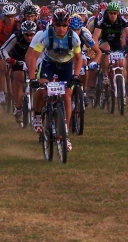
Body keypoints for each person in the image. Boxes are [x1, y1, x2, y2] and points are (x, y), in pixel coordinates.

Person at [25, 8, 84, 152]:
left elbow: (78, 59)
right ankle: (37, 115)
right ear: (54, 25)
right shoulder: (46, 35)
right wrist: (33, 78)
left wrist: (75, 76)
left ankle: (65, 134)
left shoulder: (74, 38)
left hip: (66, 66)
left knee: (67, 96)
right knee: (41, 89)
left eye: (64, 26)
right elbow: (33, 57)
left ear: (68, 26)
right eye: (58, 25)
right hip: (49, 65)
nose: (61, 29)